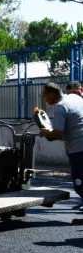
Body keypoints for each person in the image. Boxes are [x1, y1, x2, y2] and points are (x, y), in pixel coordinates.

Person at [40, 82, 83, 220]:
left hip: (79, 149)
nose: (44, 99)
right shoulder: (75, 97)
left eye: (45, 96)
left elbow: (57, 134)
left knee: (80, 184)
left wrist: (46, 132)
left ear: (52, 95)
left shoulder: (60, 107)